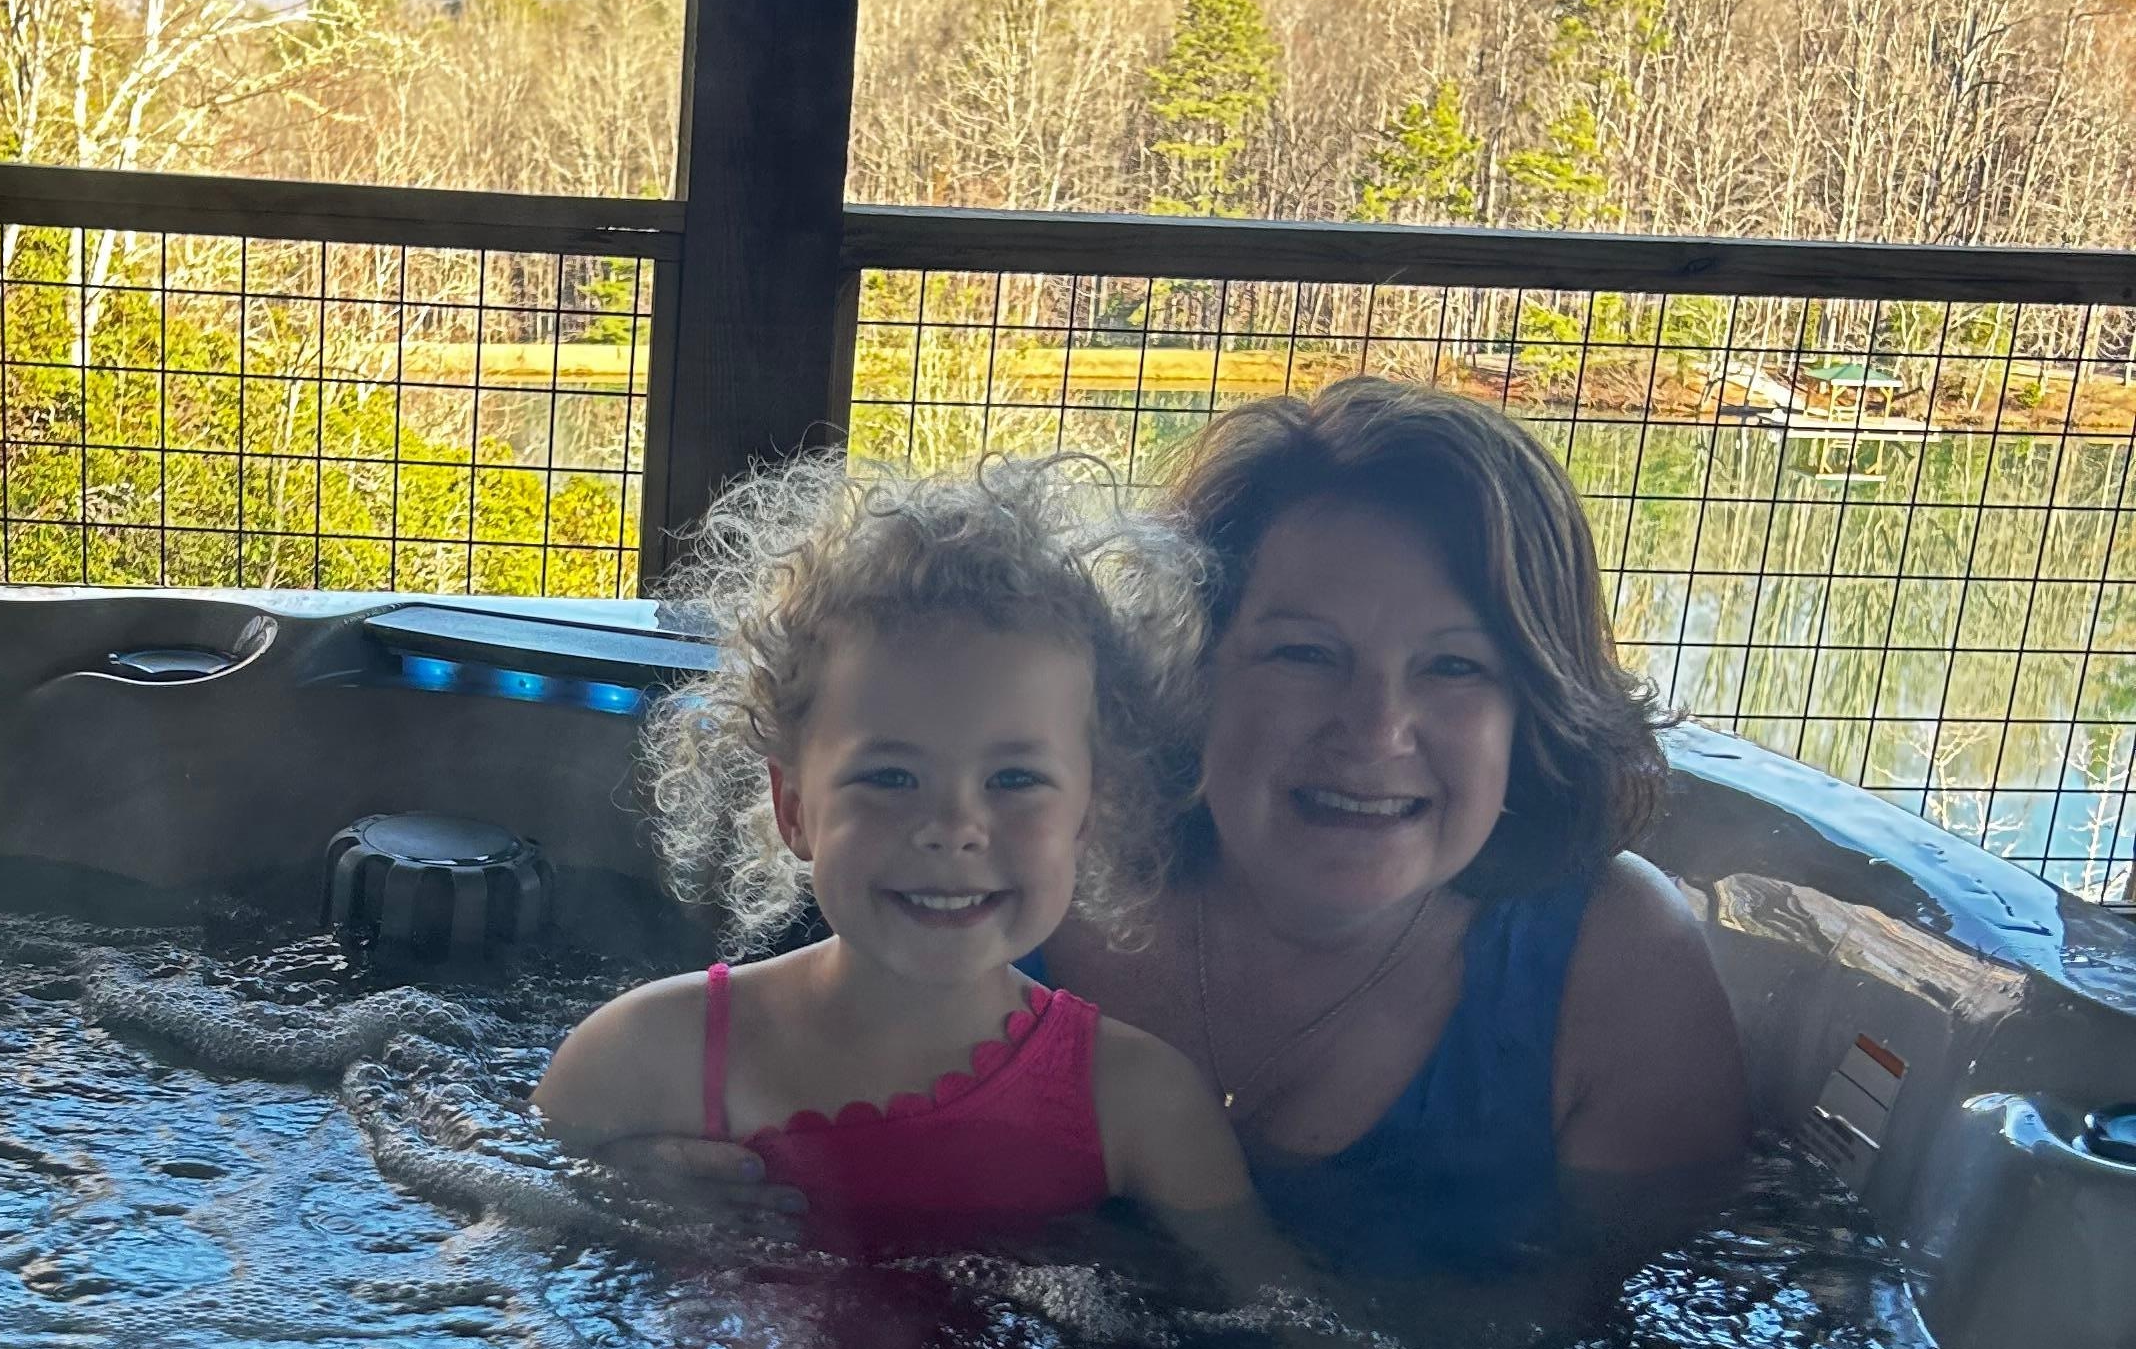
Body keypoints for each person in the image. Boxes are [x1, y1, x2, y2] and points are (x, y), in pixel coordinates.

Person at [1041, 378, 1746, 1277]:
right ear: (1192, 670)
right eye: (1305, 653)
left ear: (1534, 712)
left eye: (1454, 666)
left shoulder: (1616, 962)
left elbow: (1654, 1346)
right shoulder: (1023, 883)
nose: (1375, 729)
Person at [537, 453, 1280, 1273]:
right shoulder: (643, 1058)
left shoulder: (1140, 1106)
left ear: (1089, 812)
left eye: (1015, 780)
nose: (954, 827)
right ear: (794, 808)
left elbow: (1293, 1339)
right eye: (890, 777)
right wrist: (607, 1193)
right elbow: (499, 1269)